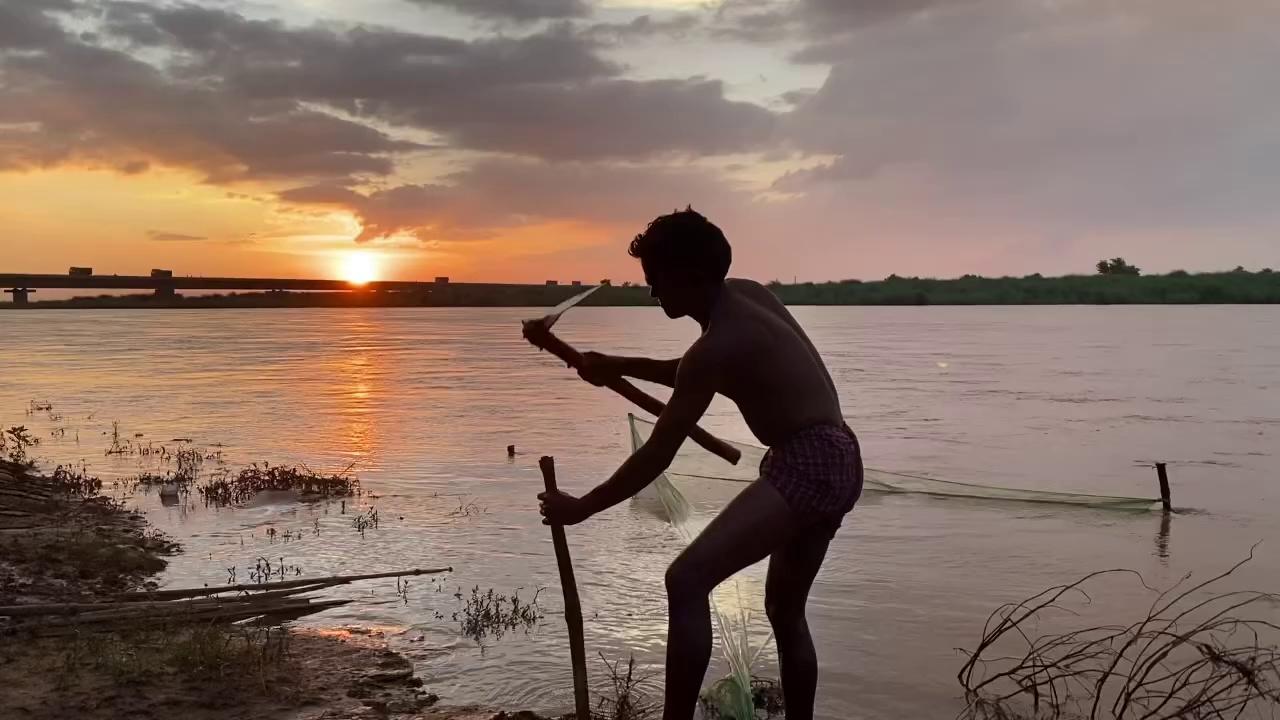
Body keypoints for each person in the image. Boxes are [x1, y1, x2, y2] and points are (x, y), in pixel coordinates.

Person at [537, 207, 863, 720]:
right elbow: (694, 370)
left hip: (808, 462)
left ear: (687, 274)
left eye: (655, 280)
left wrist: (583, 507)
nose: (651, 293)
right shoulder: (749, 295)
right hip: (841, 453)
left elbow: (658, 451)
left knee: (686, 579)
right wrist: (616, 366)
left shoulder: (715, 346)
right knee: (784, 609)